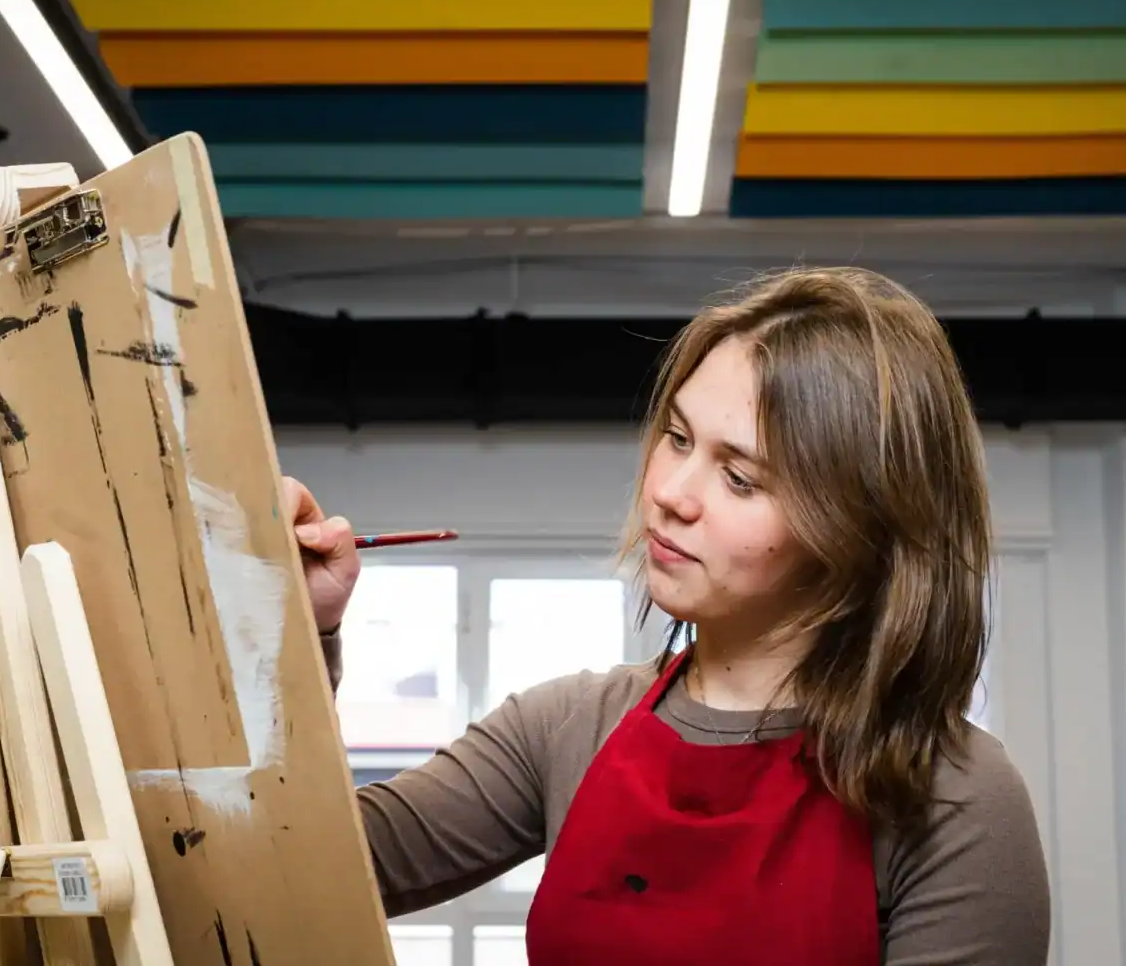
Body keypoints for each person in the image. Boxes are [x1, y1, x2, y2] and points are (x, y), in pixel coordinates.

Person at [282, 266, 1051, 965]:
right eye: (677, 438)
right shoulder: (566, 729)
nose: (671, 493)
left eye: (740, 478)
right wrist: (288, 627)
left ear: (858, 529)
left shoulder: (956, 798)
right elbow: (292, 867)